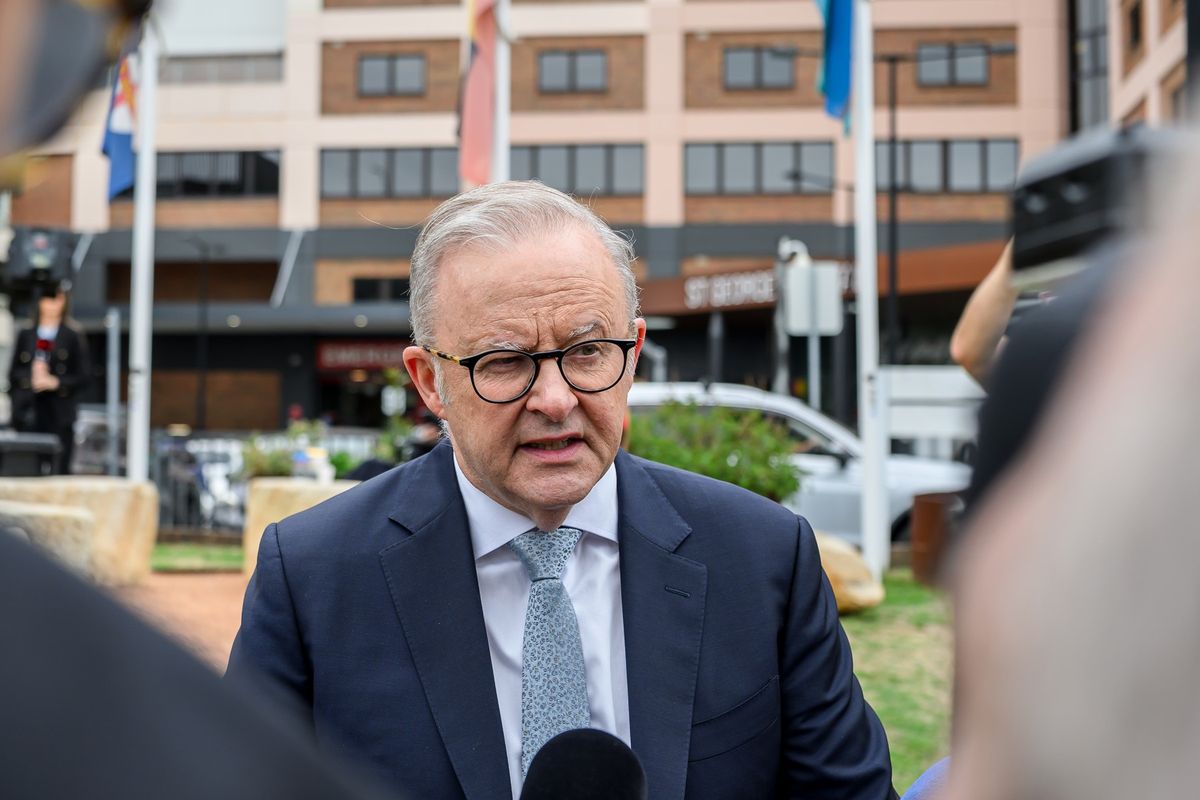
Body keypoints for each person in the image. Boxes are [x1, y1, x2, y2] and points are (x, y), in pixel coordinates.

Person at [228, 181, 896, 799]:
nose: (554, 399)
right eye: (505, 362)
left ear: (632, 353)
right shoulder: (314, 579)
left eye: (586, 352)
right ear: (430, 382)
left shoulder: (762, 559)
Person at [8, 281, 92, 473]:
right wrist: (32, 378)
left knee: (59, 467)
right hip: (29, 411)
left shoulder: (72, 336)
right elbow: (13, 373)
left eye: (56, 298)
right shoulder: (27, 334)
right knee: (28, 467)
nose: (51, 304)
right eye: (47, 298)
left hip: (59, 412)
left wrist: (55, 382)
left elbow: (84, 376)